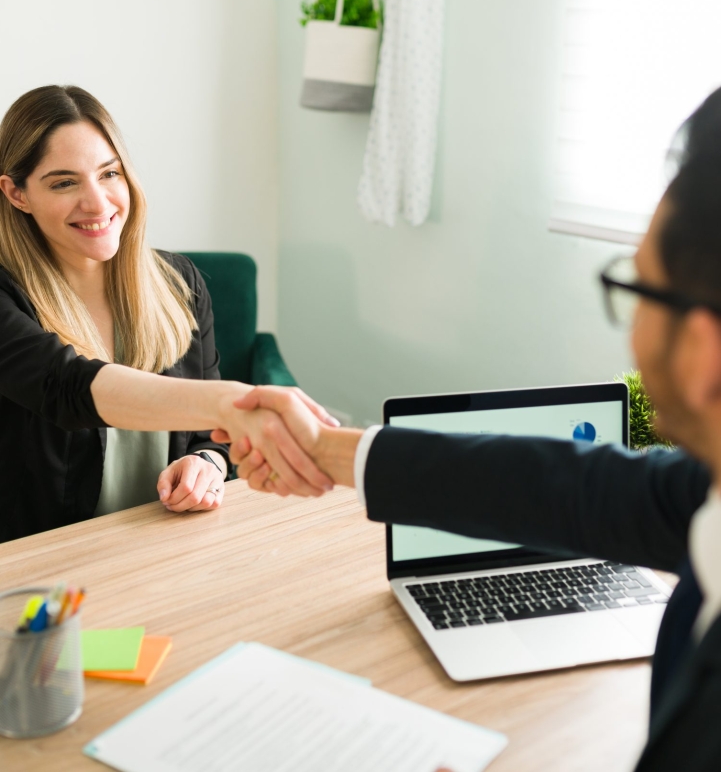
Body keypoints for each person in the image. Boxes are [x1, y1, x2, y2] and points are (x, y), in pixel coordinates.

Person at [222, 88, 721, 770]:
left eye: (635, 286)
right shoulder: (706, 492)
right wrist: (324, 450)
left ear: (702, 353)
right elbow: (567, 486)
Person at [0, 85, 336, 543]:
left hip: (170, 549)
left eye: (109, 174)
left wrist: (208, 464)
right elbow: (68, 387)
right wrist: (236, 404)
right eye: (64, 182)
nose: (98, 203)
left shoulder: (179, 283)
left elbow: (208, 438)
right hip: (52, 572)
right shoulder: (8, 297)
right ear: (17, 194)